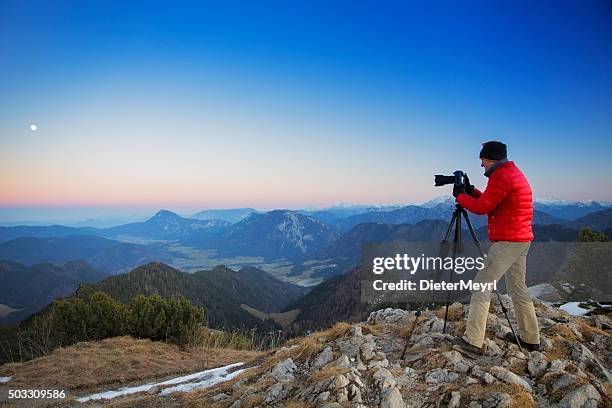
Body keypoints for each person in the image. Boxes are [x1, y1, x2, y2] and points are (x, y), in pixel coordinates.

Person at [452, 140, 540, 355]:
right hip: (521, 239)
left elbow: (483, 208)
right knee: (517, 287)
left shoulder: (501, 176)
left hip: (508, 242)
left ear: (490, 159)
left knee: (481, 285)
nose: (482, 166)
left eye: (482, 162)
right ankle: (530, 338)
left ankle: (473, 341)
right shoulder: (512, 173)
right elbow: (493, 201)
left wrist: (460, 197)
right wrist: (471, 191)